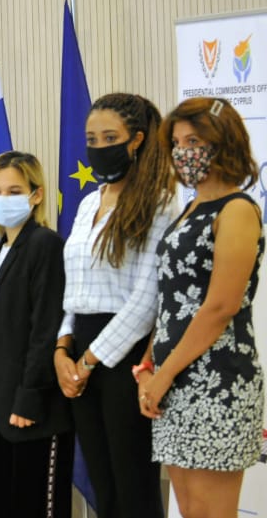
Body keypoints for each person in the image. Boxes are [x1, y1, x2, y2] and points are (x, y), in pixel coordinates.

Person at [54, 93, 178, 518]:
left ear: (137, 140)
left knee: (134, 487)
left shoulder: (160, 202)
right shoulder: (90, 201)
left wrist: (88, 361)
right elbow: (73, 285)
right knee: (103, 486)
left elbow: (147, 300)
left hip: (127, 356)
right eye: (92, 139)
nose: (98, 146)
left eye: (110, 137)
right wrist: (62, 349)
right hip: (80, 349)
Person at [139, 97, 264, 518]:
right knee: (190, 509)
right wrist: (148, 367)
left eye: (193, 141)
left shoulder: (238, 209)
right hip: (172, 381)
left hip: (218, 379)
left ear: (223, 141)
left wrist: (164, 374)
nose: (183, 152)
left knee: (212, 512)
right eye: (177, 143)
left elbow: (220, 306)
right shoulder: (189, 209)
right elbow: (171, 300)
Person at [0, 151, 72, 518]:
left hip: (36, 409)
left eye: (14, 191)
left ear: (36, 195)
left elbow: (46, 327)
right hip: (3, 408)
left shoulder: (44, 244)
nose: (4, 199)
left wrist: (30, 396)